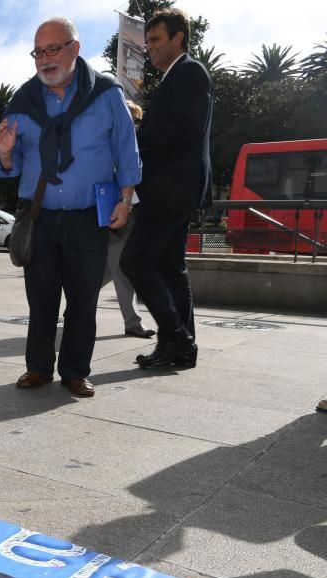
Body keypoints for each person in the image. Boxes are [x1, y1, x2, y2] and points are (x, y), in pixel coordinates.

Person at [0, 16, 141, 397]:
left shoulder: (106, 94)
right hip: (39, 217)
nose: (44, 59)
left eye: (52, 49)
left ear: (74, 49)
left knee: (82, 299)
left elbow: (127, 151)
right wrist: (6, 154)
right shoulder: (22, 102)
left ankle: (75, 371)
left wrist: (125, 200)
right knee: (40, 299)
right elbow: (9, 168)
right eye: (38, 52)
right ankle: (38, 368)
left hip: (88, 217)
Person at [120, 8, 213, 370]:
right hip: (174, 188)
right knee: (171, 267)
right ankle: (178, 348)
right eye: (147, 42)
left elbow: (184, 129)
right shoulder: (176, 77)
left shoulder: (190, 73)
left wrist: (134, 137)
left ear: (179, 38)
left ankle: (177, 335)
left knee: (135, 259)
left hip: (172, 189)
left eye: (156, 40)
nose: (149, 48)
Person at [101, 100, 154, 339]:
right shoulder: (114, 147)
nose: (135, 126)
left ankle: (76, 307)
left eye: (137, 121)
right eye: (133, 120)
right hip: (116, 215)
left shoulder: (131, 147)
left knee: (105, 271)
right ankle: (132, 322)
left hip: (127, 215)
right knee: (122, 268)